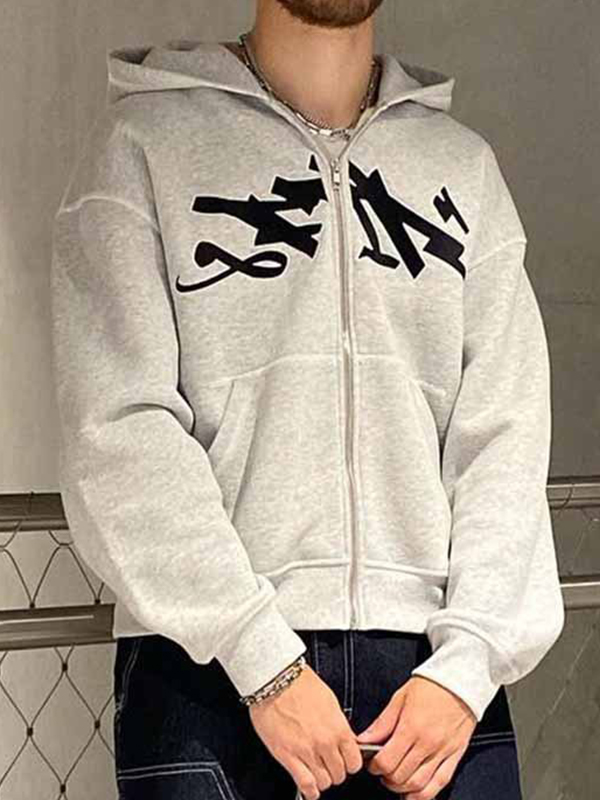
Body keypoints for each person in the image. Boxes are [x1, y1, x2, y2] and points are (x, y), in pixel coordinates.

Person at [49, 1, 565, 798]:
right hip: (211, 676)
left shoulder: (461, 167)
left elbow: (506, 429)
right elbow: (117, 427)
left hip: (435, 688)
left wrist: (467, 665)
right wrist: (263, 661)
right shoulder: (143, 147)